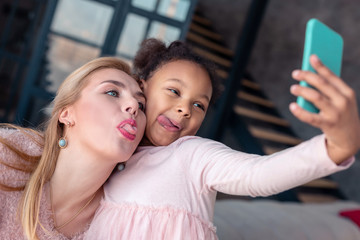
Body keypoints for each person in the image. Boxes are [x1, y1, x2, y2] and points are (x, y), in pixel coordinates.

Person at [84, 38, 360, 240]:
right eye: (173, 91)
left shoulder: (191, 155)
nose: (184, 109)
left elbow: (257, 175)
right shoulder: (114, 158)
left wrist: (336, 148)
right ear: (141, 88)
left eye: (198, 106)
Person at [0, 57, 146, 239]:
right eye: (112, 93)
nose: (133, 106)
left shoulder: (124, 221)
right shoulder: (5, 157)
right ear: (66, 113)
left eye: (141, 105)